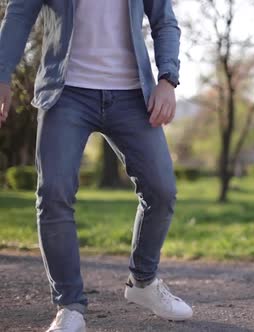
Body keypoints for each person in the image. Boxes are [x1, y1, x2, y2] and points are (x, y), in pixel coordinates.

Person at [0, 1, 192, 331]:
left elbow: (165, 21)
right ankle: (69, 306)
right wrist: (2, 75)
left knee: (161, 190)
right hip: (65, 92)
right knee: (54, 194)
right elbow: (19, 13)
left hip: (133, 94)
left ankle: (143, 283)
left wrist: (167, 79)